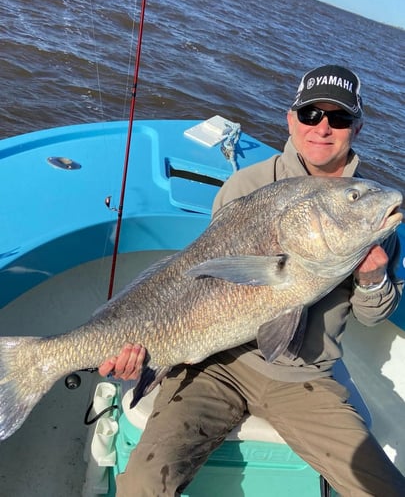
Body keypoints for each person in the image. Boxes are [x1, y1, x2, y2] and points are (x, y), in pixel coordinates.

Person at [99, 64, 405, 496]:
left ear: (357, 127)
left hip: (306, 377)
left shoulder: (370, 213)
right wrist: (154, 349)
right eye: (311, 114)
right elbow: (197, 276)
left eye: (338, 118)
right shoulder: (248, 184)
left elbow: (373, 317)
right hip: (218, 364)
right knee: (144, 484)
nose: (322, 128)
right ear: (290, 118)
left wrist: (373, 279)